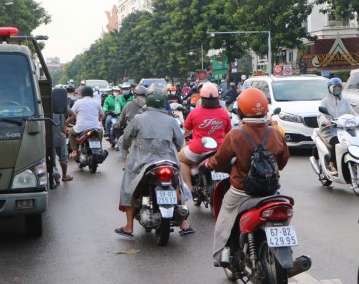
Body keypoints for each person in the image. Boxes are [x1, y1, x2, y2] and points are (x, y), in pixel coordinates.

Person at [202, 88, 289, 263]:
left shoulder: (236, 134)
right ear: (265, 109)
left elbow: (219, 160)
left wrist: (208, 165)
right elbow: (283, 160)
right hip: (271, 191)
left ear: (240, 111)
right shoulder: (275, 133)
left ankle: (223, 254)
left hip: (242, 191)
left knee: (225, 215)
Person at [115, 84, 185, 237]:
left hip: (142, 162)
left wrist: (126, 148)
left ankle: (129, 226)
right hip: (168, 160)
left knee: (130, 188)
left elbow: (126, 139)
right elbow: (180, 143)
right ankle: (185, 223)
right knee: (177, 183)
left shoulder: (138, 119)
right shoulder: (171, 120)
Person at [177, 82, 232, 235]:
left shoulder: (194, 113)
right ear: (217, 98)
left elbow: (186, 132)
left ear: (200, 98)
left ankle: (188, 186)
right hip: (219, 151)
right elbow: (229, 132)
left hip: (197, 150)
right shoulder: (223, 113)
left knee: (180, 158)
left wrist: (180, 141)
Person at [317, 77, 359, 174]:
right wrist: (325, 121)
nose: (337, 88)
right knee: (337, 142)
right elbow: (320, 115)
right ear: (330, 88)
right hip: (329, 130)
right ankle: (332, 164)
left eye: (339, 86)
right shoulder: (325, 101)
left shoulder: (344, 101)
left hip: (344, 130)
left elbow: (353, 113)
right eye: (335, 87)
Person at [65, 86, 104, 157]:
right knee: (100, 133)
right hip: (95, 127)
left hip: (81, 127)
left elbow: (71, 114)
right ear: (92, 95)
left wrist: (66, 123)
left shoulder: (78, 102)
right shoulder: (97, 102)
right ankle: (99, 148)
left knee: (71, 132)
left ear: (82, 94)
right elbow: (102, 115)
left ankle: (74, 151)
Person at [114, 85, 147, 160]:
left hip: (132, 132)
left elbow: (121, 120)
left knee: (120, 142)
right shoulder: (151, 105)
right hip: (149, 131)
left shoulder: (129, 104)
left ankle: (126, 161)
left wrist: (117, 126)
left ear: (135, 94)